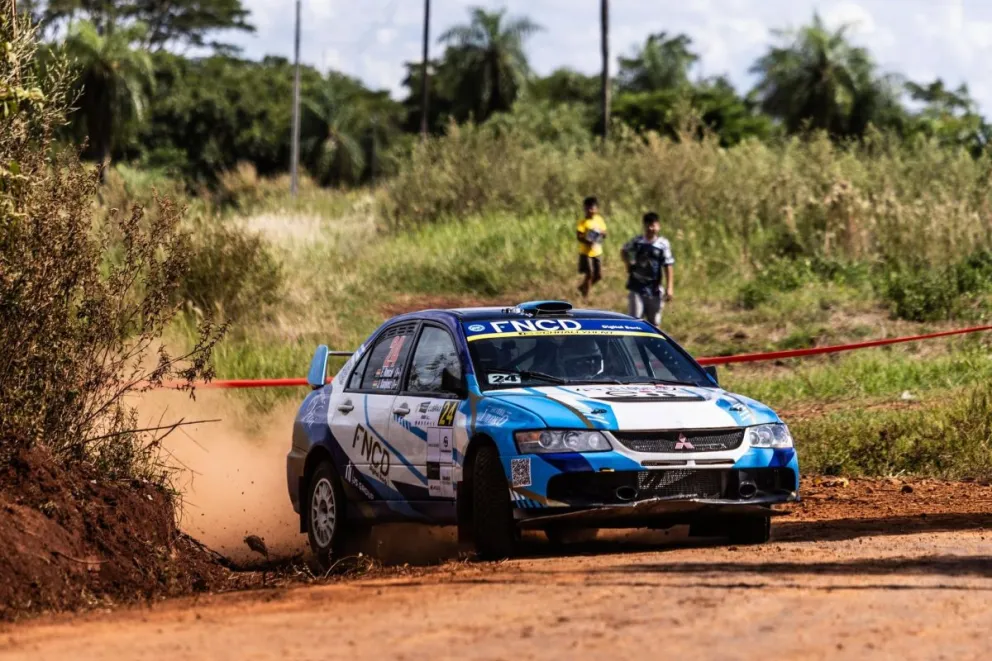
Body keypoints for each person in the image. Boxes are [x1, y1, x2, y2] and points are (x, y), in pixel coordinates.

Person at [621, 212, 674, 327]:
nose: (650, 229)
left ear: (658, 226)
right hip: (637, 287)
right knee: (634, 321)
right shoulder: (637, 241)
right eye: (648, 226)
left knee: (654, 324)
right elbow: (624, 250)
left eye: (653, 225)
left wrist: (669, 287)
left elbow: (668, 265)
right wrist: (628, 264)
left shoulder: (662, 244)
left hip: (654, 289)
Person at [576, 196, 607, 298]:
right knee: (589, 274)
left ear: (596, 209)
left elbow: (605, 233)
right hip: (586, 253)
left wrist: (601, 233)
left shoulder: (599, 220)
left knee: (598, 276)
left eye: (592, 208)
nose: (590, 210)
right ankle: (586, 296)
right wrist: (587, 240)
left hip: (597, 252)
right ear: (584, 209)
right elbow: (579, 236)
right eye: (587, 208)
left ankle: (582, 287)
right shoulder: (582, 222)